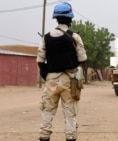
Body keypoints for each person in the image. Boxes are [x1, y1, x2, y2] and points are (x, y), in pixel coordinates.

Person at [36, 2, 87, 141]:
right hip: (69, 80)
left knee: (47, 111)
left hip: (51, 79)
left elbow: (40, 61)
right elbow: (82, 59)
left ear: (56, 18)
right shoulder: (75, 37)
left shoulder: (46, 37)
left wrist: (47, 75)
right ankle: (70, 137)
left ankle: (44, 136)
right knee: (70, 113)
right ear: (70, 19)